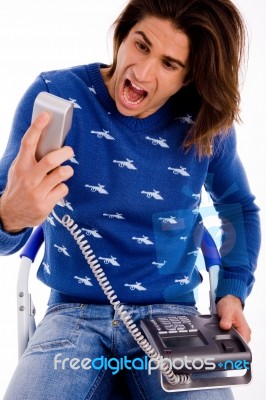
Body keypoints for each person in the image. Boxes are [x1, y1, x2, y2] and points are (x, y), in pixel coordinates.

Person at [0, 0, 261, 399]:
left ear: (190, 78)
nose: (142, 73)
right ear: (122, 35)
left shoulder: (204, 124)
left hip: (173, 318)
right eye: (141, 45)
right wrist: (10, 216)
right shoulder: (54, 96)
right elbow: (7, 217)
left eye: (169, 64)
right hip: (72, 314)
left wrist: (232, 290)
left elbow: (238, 207)